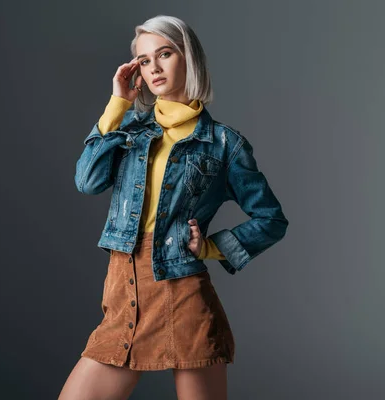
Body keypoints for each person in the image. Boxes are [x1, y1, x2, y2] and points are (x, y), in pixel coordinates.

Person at [58, 15, 288, 400]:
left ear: (188, 58)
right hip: (123, 293)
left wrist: (212, 248)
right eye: (144, 61)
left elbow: (271, 218)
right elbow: (87, 181)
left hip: (183, 296)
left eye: (164, 54)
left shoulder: (224, 144)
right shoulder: (131, 131)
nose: (154, 68)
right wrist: (117, 104)